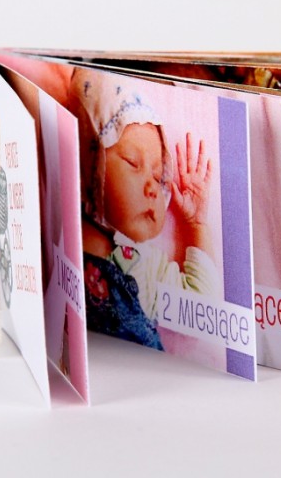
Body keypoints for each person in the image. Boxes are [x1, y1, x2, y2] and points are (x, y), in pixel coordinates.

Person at [69, 69, 218, 350]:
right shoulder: (64, 221)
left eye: (159, 176)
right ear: (90, 166)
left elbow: (203, 309)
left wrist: (196, 225)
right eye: (132, 163)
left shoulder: (147, 266)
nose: (152, 188)